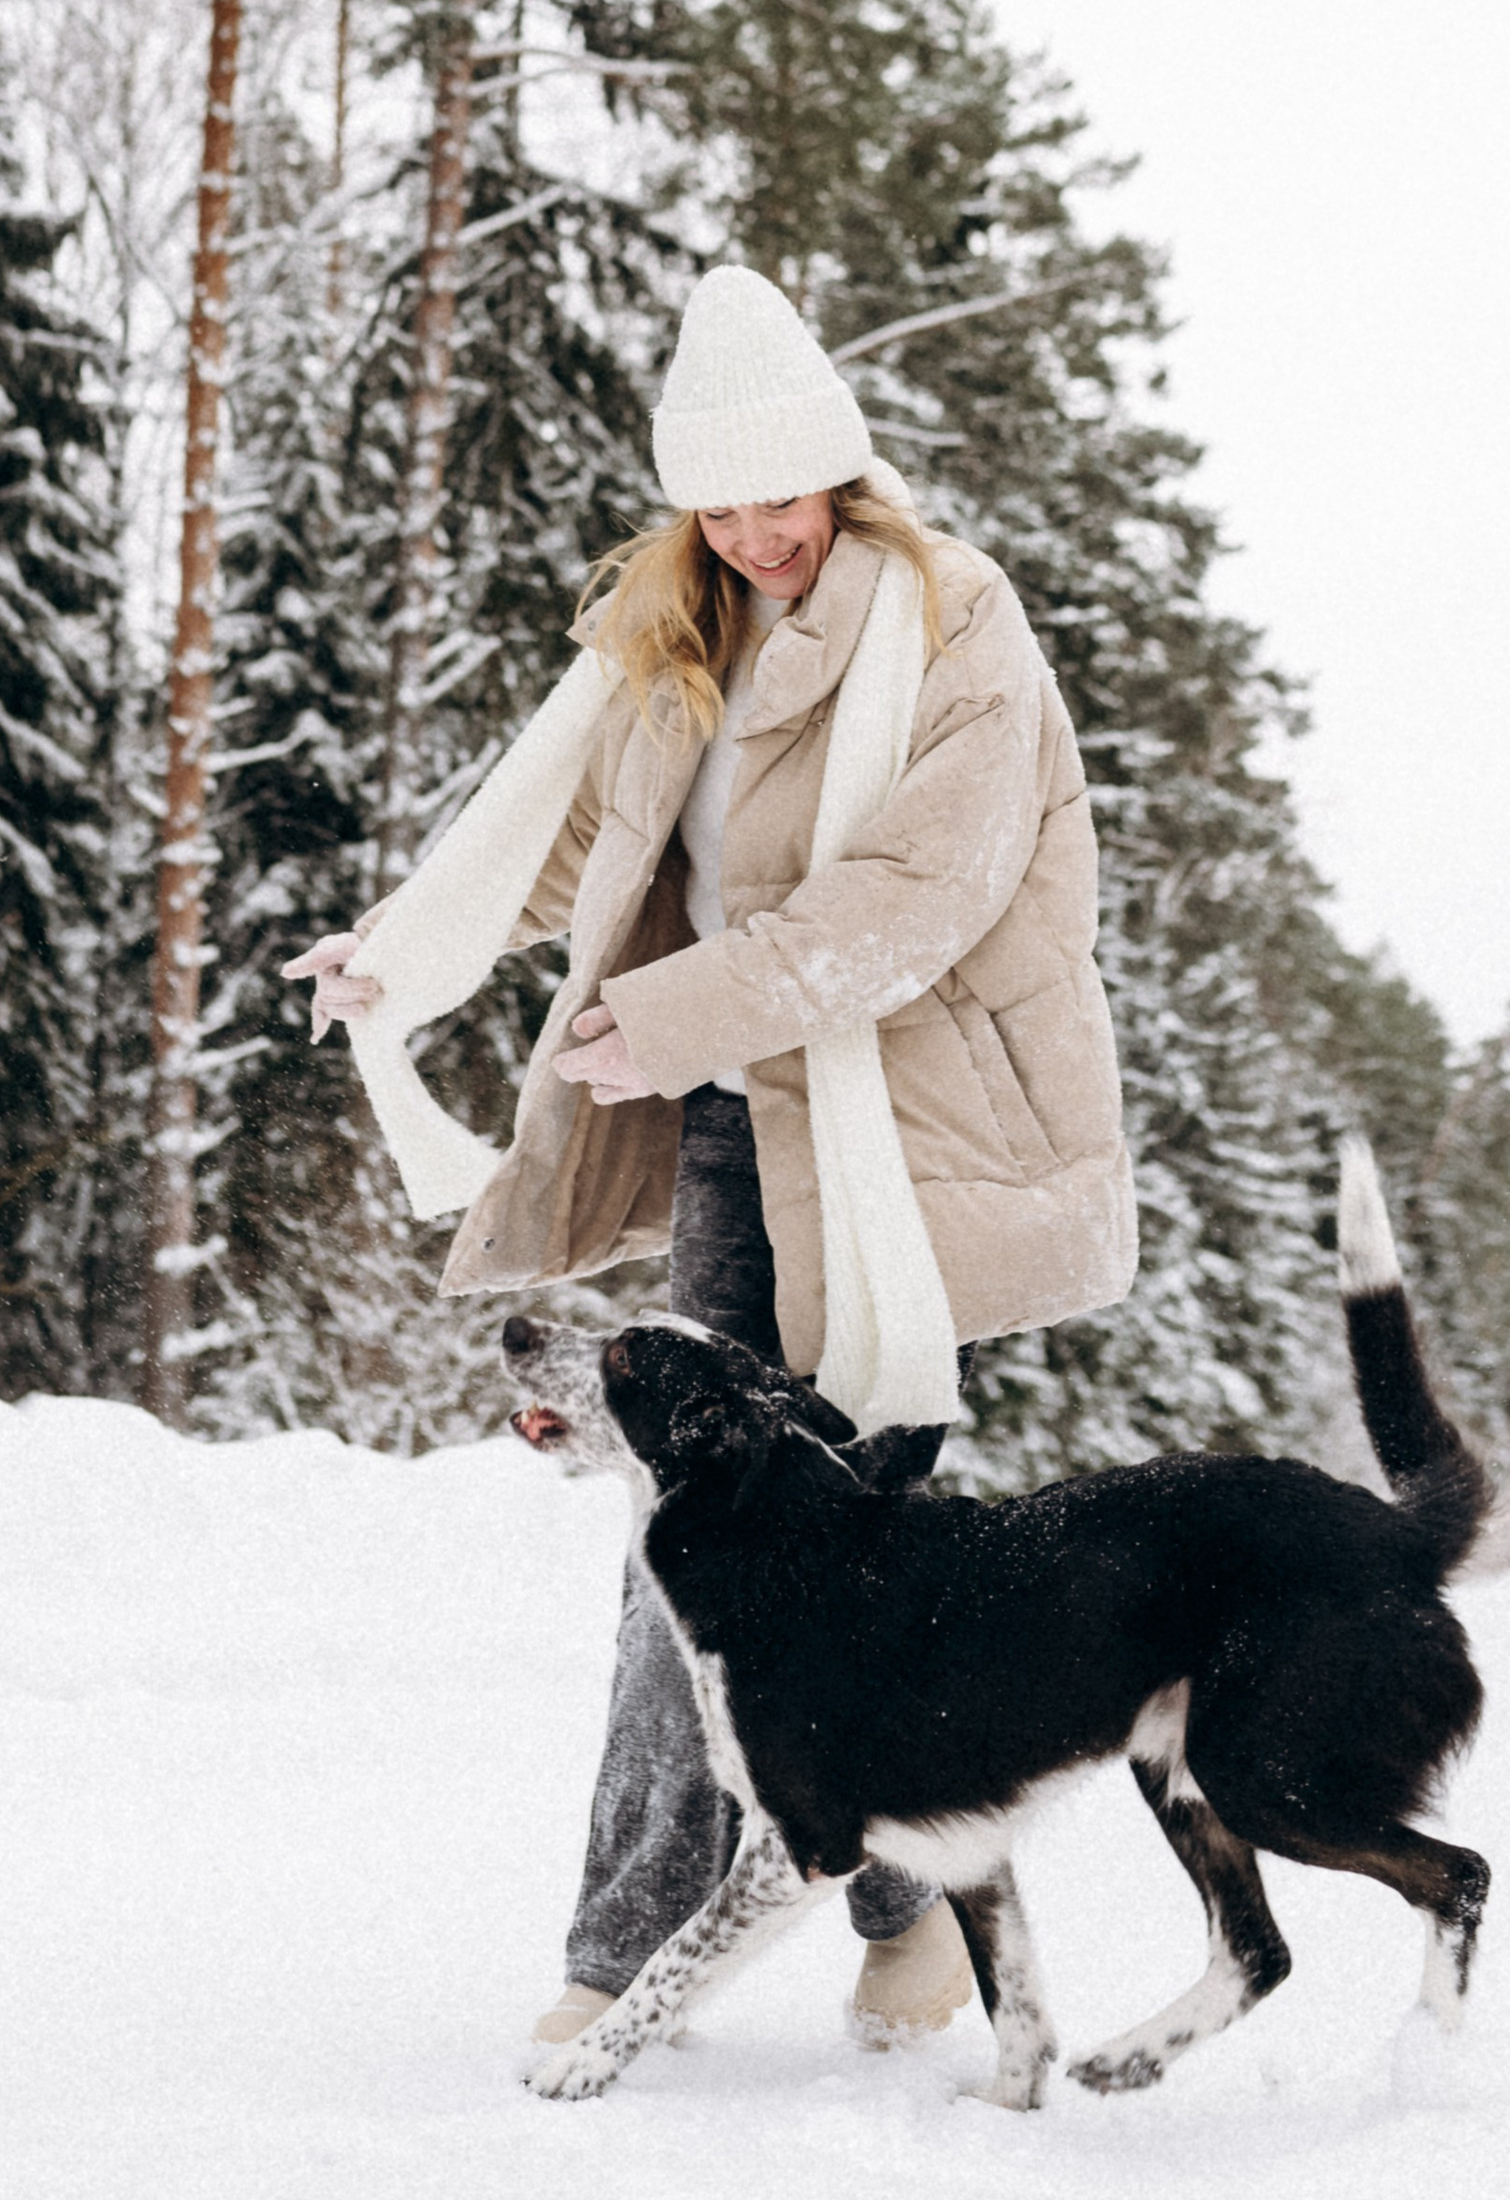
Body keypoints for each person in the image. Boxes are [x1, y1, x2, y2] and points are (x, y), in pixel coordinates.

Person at [292, 266, 1136, 2052]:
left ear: (843, 468)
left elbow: (919, 895)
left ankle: (879, 1912)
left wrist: (676, 1016)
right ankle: (659, 1939)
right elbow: (593, 850)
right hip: (736, 1134)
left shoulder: (955, 621)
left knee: (849, 1542)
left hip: (898, 1142)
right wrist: (407, 954)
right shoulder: (677, 638)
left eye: (785, 493)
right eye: (724, 503)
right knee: (701, 1524)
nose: (760, 534)